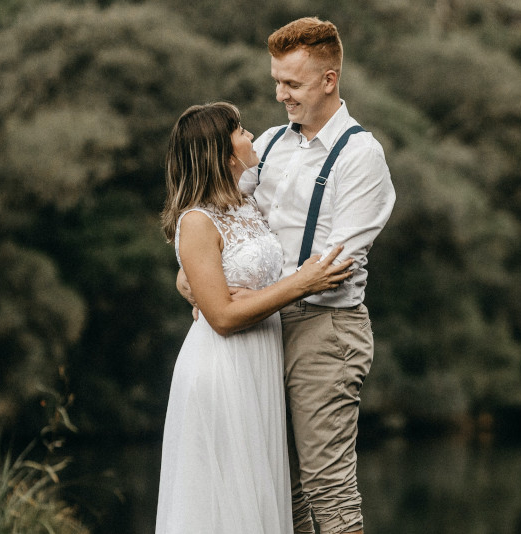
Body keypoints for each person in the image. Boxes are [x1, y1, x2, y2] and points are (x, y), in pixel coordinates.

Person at [179, 17, 395, 534]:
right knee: (284, 484)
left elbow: (333, 265)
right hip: (264, 329)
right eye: (276, 81)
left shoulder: (361, 156)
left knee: (328, 485)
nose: (280, 95)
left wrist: (252, 296)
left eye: (292, 84)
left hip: (326, 330)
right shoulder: (271, 143)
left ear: (329, 79)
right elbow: (225, 219)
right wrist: (194, 279)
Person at [156, 101, 355, 533]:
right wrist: (302, 283)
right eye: (240, 131)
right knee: (223, 501)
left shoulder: (245, 202)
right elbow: (223, 317)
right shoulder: (197, 221)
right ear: (222, 154)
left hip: (259, 362)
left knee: (260, 492)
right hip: (222, 368)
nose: (250, 136)